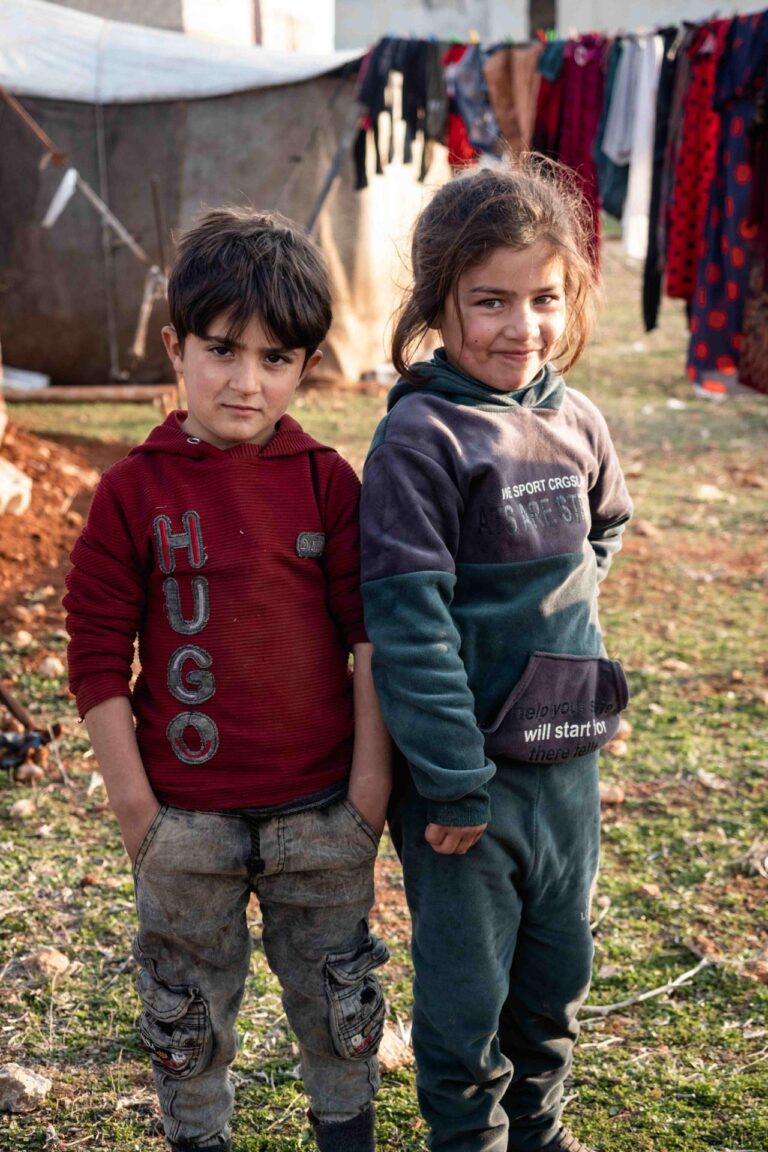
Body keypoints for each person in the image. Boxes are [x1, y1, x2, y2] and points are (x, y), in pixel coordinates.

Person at [64, 208, 391, 1152]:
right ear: (176, 346)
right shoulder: (134, 489)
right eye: (221, 350)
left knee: (339, 1008)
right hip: (186, 828)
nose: (248, 382)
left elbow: (372, 636)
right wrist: (139, 813)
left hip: (323, 814)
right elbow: (96, 651)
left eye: (278, 358)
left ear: (307, 365)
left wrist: (368, 790)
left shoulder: (328, 483)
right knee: (186, 1020)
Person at [360, 157, 633, 1152]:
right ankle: (466, 1141)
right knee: (469, 996)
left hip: (568, 772)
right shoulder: (421, 442)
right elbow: (409, 627)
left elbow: (605, 532)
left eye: (544, 298)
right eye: (491, 301)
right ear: (439, 305)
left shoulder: (576, 418)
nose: (522, 326)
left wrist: (558, 660)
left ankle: (541, 1131)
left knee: (558, 975)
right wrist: (457, 778)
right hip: (466, 794)